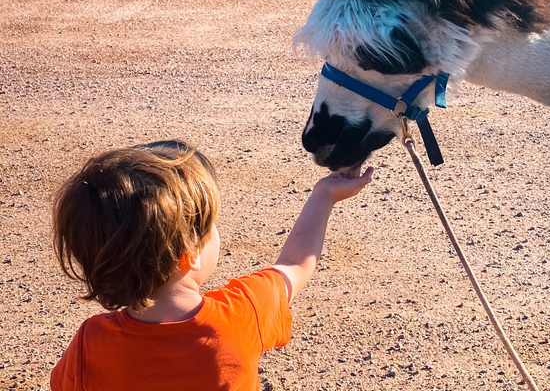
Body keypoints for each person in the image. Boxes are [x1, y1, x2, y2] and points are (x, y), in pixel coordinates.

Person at [50, 140, 373, 391]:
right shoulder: (243, 314)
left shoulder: (90, 344)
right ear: (190, 253)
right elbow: (295, 265)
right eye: (210, 226)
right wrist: (324, 195)